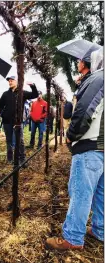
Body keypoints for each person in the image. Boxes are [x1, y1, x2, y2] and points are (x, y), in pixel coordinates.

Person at [45, 48, 104, 250]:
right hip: (102, 147)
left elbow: (86, 110)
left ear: (92, 61)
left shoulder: (98, 78)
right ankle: (100, 230)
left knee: (81, 192)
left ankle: (72, 238)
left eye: (81, 59)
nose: (78, 61)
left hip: (90, 145)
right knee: (100, 193)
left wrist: (71, 135)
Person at [0, 76, 38, 165]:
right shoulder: (5, 94)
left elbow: (34, 95)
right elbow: (0, 105)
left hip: (18, 122)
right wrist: (3, 116)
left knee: (20, 140)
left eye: (12, 80)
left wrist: (32, 86)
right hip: (7, 122)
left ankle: (22, 159)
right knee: (9, 140)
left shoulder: (22, 93)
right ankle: (10, 159)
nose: (10, 82)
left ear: (17, 82)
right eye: (9, 81)